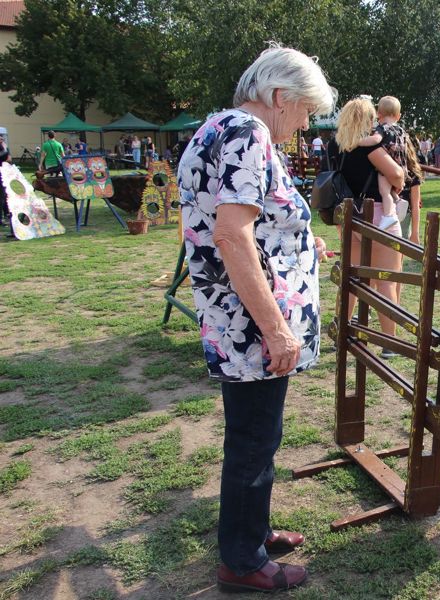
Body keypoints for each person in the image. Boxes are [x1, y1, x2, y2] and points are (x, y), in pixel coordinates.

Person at [176, 44, 335, 594]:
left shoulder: (218, 128)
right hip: (250, 328)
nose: (305, 124)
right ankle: (242, 562)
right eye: (306, 110)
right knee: (253, 441)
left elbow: (245, 224)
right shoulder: (249, 133)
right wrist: (276, 329)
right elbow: (231, 235)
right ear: (279, 96)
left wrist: (301, 245)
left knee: (256, 437)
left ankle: (254, 532)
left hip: (235, 320)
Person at [331, 97, 405, 354]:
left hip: (348, 214)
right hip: (377, 214)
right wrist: (397, 184)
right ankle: (389, 342)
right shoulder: (370, 146)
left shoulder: (335, 144)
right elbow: (396, 174)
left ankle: (341, 333)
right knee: (386, 280)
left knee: (351, 279)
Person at [356, 95, 409, 230]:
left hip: (386, 166)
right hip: (400, 165)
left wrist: (358, 142)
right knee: (390, 190)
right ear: (398, 116)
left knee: (384, 192)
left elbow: (375, 140)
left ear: (378, 114)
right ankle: (398, 200)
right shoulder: (401, 130)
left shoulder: (382, 128)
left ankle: (389, 215)